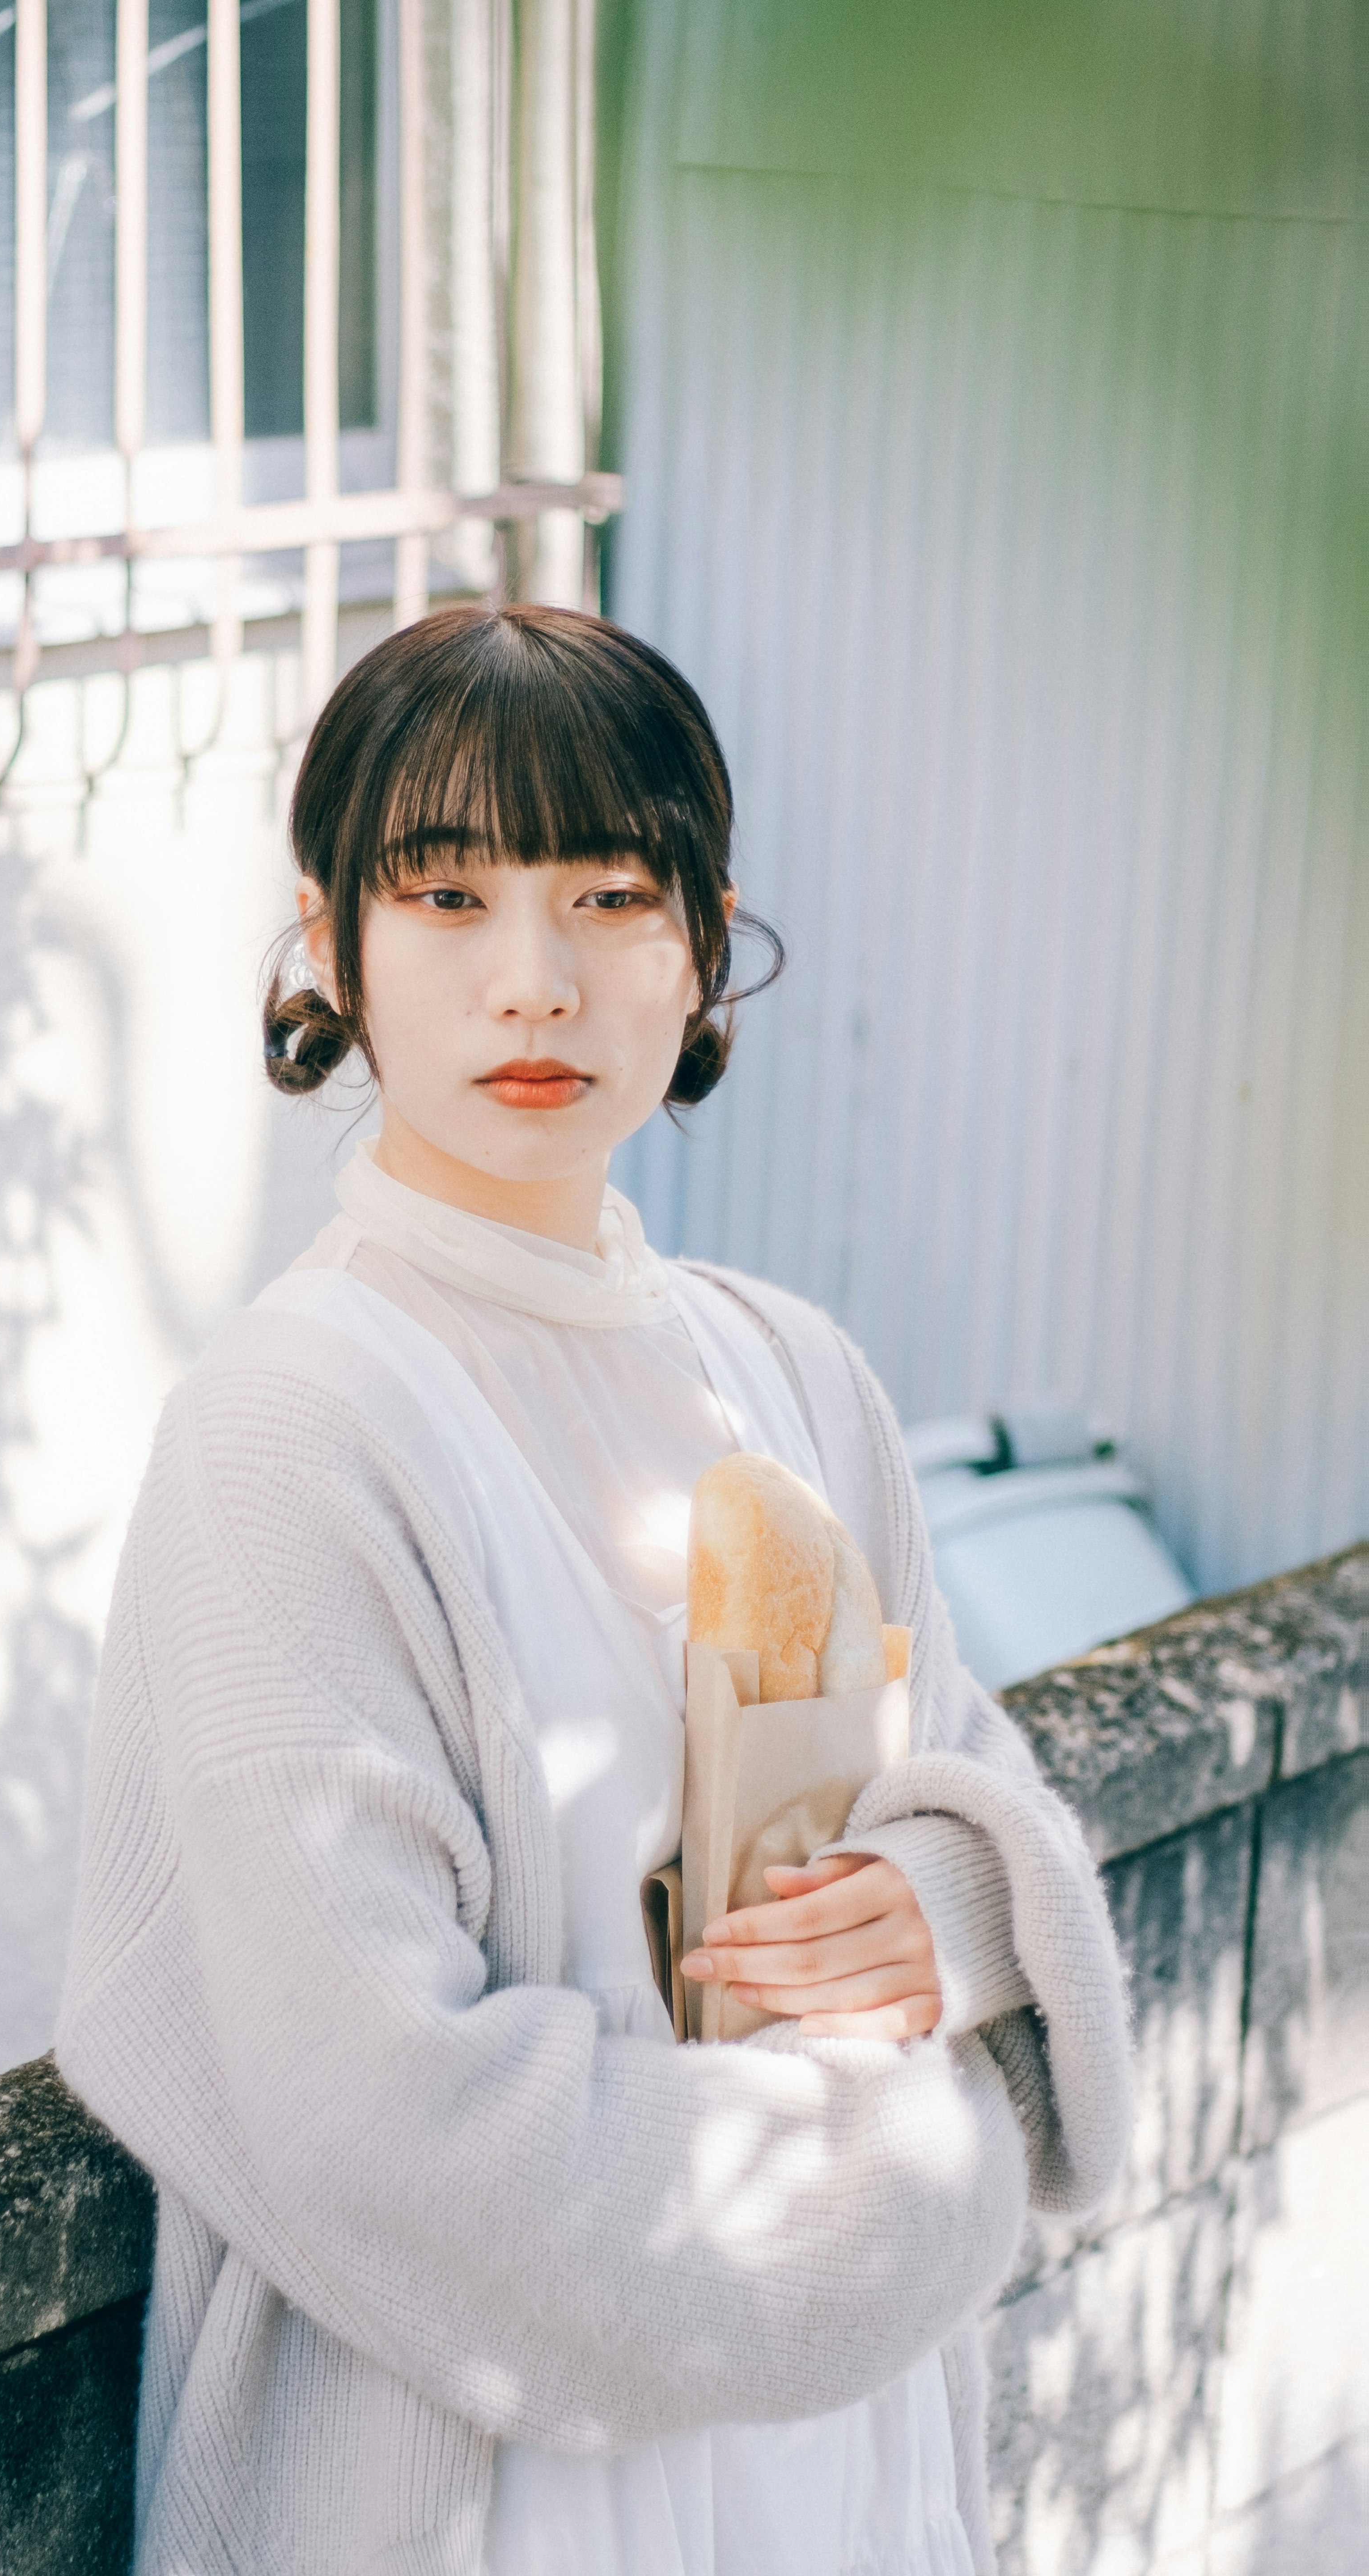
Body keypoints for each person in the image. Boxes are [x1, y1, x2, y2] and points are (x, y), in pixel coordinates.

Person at [57, 603, 1130, 2576]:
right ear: (331, 945)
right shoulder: (297, 1431)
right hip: (496, 2496)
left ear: (704, 942)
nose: (533, 985)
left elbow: (971, 1774)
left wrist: (956, 1904)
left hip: (846, 2487)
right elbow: (375, 2118)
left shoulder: (792, 1372)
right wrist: (907, 2188)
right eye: (446, 896)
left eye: (610, 895)